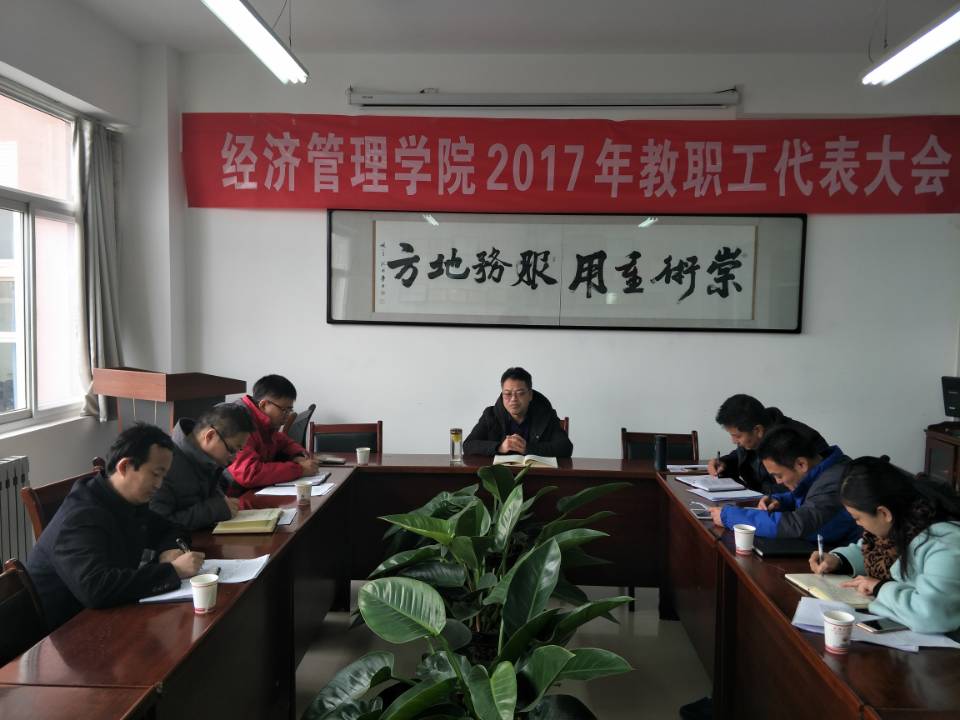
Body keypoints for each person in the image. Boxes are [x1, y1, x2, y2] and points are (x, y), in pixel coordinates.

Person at [26, 423, 205, 631]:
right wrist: (173, 571)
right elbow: (95, 589)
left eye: (163, 476)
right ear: (124, 467)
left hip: (107, 615)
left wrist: (170, 550)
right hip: (64, 632)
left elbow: (172, 528)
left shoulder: (124, 498)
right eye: (156, 474)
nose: (159, 484)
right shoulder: (81, 516)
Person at [809, 457, 960, 633]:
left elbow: (931, 616)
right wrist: (838, 560)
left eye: (857, 517)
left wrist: (879, 588)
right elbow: (869, 551)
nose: (857, 524)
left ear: (884, 513)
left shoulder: (945, 544)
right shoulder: (903, 522)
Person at [709, 425, 860, 544]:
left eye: (779, 475)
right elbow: (812, 497)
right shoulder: (828, 468)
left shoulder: (838, 481)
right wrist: (781, 501)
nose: (778, 482)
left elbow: (798, 526)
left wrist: (730, 516)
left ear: (801, 464)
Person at [150, 403, 254, 529]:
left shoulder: (208, 459)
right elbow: (158, 526)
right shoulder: (164, 464)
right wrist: (215, 510)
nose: (235, 457)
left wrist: (223, 505)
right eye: (232, 449)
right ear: (210, 436)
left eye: (239, 450)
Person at [707, 393, 829, 494]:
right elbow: (743, 455)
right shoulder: (753, 437)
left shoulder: (802, 439)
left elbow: (818, 486)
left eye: (737, 436)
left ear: (758, 430)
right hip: (760, 500)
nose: (734, 441)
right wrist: (725, 462)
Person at [227, 374, 319, 493]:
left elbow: (281, 440)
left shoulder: (266, 421)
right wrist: (300, 469)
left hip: (253, 490)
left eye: (290, 410)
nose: (287, 415)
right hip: (233, 496)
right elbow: (249, 473)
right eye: (284, 410)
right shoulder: (238, 421)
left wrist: (298, 455)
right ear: (263, 405)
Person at [463, 366, 572, 458]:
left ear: (530, 395)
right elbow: (468, 445)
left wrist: (528, 448)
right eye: (507, 394)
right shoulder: (490, 415)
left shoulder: (546, 415)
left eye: (520, 393)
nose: (513, 399)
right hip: (500, 474)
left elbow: (565, 448)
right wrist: (500, 447)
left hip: (536, 474)